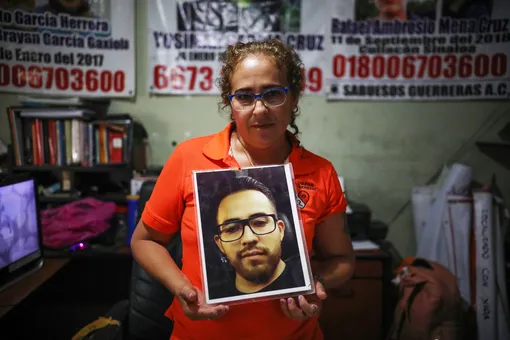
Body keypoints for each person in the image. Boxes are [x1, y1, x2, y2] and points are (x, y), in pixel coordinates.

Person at [130, 37, 355, 340]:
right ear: (230, 102)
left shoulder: (320, 172)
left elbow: (341, 261)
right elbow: (144, 241)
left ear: (294, 98)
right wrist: (181, 288)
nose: (259, 110)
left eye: (273, 93)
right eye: (245, 97)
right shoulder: (189, 158)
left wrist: (314, 282)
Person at [210, 175, 305, 299]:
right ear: (220, 244)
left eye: (259, 223)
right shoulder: (213, 299)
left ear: (280, 230)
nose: (249, 238)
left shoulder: (307, 279)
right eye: (232, 228)